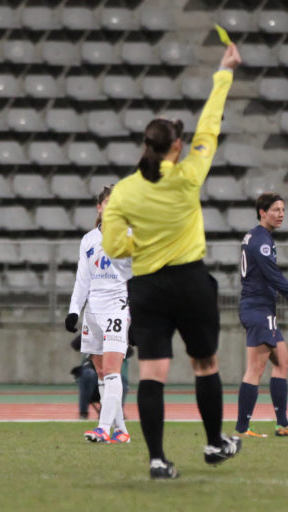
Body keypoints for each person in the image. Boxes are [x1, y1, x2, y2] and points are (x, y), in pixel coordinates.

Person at [101, 43, 243, 480]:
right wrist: (224, 73)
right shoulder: (188, 176)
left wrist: (141, 243)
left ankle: (158, 460)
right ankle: (215, 442)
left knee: (152, 374)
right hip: (189, 282)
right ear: (177, 146)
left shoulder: (123, 192)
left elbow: (114, 247)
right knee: (205, 364)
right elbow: (210, 126)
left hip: (147, 287)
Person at [234, 193, 288, 438]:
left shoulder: (256, 236)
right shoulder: (262, 241)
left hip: (261, 308)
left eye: (283, 210)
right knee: (255, 368)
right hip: (258, 308)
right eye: (275, 210)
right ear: (262, 212)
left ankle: (282, 424)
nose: (281, 215)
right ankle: (243, 428)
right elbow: (274, 277)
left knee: (282, 362)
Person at [65, 185, 132, 444]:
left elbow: (139, 277)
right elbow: (83, 279)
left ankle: (103, 428)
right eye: (108, 203)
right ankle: (121, 431)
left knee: (113, 371)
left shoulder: (130, 236)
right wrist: (74, 310)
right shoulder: (89, 240)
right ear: (99, 207)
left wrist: (137, 314)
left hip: (118, 306)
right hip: (93, 311)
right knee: (102, 373)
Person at [69, 334, 131, 420]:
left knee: (118, 379)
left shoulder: (115, 335)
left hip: (110, 379)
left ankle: (116, 413)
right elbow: (75, 345)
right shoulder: (93, 333)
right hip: (93, 385)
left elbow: (129, 351)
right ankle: (83, 413)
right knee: (88, 374)